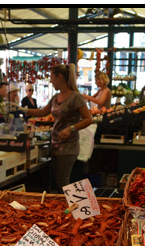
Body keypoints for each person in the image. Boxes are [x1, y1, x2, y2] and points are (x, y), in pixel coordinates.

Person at [23, 64, 93, 192]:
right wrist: (23, 109)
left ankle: (68, 204)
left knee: (62, 181)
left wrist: (71, 128)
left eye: (52, 77)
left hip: (68, 146)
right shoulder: (56, 97)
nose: (50, 81)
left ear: (59, 76)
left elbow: (88, 119)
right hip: (55, 143)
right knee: (56, 182)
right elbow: (42, 112)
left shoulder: (75, 97)